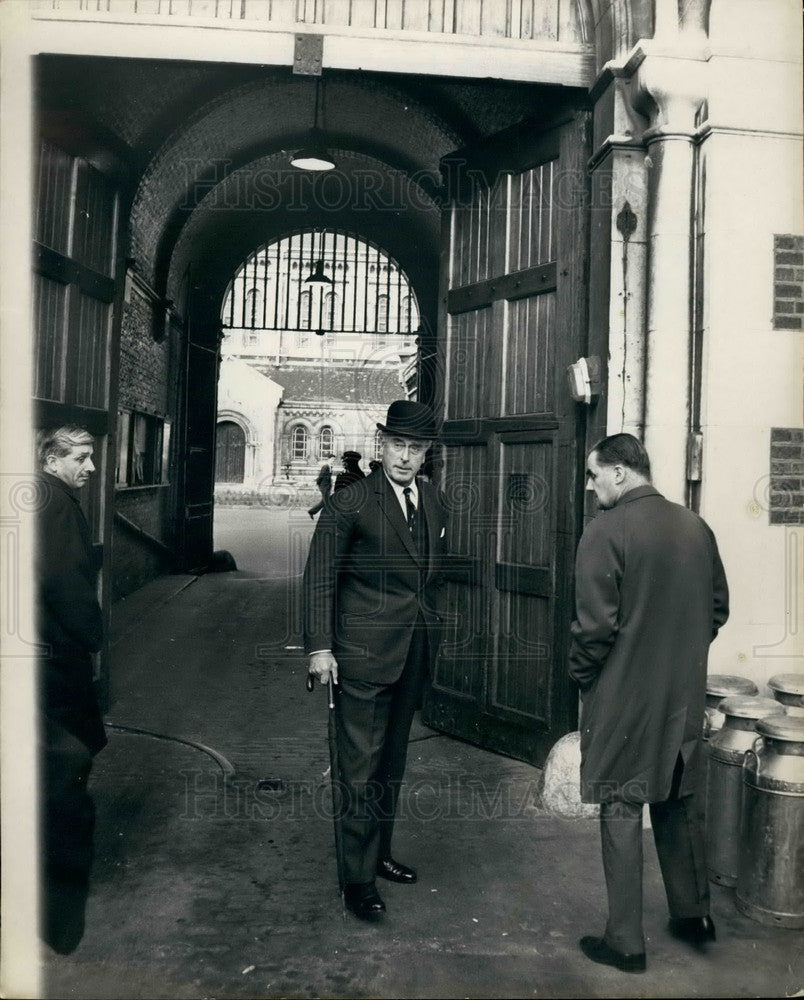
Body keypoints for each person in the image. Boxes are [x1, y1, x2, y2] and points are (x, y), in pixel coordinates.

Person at [569, 433, 729, 973]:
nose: (591, 489)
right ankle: (693, 915)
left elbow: (595, 630)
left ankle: (625, 942)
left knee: (620, 801)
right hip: (682, 692)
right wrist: (679, 657)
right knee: (678, 796)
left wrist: (582, 678)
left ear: (619, 473)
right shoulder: (694, 526)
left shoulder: (603, 531)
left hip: (624, 692)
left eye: (594, 476)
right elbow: (717, 609)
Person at [302, 400, 447, 920]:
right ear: (382, 444)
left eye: (417, 449)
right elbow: (320, 578)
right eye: (398, 445)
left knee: (390, 765)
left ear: (426, 454)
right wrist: (320, 647)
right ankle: (356, 880)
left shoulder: (433, 502)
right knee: (358, 769)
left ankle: (378, 853)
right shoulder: (352, 501)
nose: (406, 457)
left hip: (410, 653)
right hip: (360, 657)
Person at [35, 425, 107, 954]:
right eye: (81, 458)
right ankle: (61, 921)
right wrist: (94, 637)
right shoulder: (57, 507)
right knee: (65, 780)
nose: (90, 468)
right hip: (56, 663)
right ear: (52, 458)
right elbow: (64, 585)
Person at [308, 452, 336, 519]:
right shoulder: (325, 466)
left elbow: (328, 477)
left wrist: (331, 482)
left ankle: (311, 512)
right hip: (324, 487)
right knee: (327, 502)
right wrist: (317, 483)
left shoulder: (330, 467)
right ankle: (329, 516)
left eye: (334, 460)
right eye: (332, 459)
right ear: (328, 459)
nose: (333, 461)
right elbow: (321, 476)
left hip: (328, 486)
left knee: (323, 502)